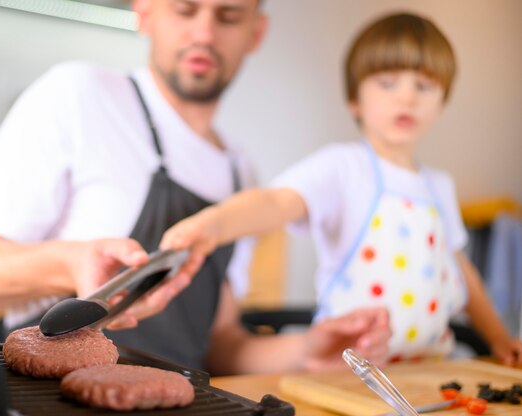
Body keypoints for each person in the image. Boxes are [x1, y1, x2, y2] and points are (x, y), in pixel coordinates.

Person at [0, 0, 391, 374]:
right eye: (185, 9)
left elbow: (223, 343)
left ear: (255, 33)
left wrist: (308, 349)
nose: (204, 33)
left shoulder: (241, 175)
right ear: (145, 11)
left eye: (228, 16)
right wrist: (71, 264)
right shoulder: (79, 96)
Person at [162, 12, 522, 365]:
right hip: (348, 370)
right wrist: (215, 224)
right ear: (354, 99)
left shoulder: (440, 185)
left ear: (441, 102)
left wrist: (498, 339)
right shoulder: (343, 168)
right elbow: (275, 202)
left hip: (430, 369)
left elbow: (463, 273)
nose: (407, 98)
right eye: (387, 82)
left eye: (424, 86)